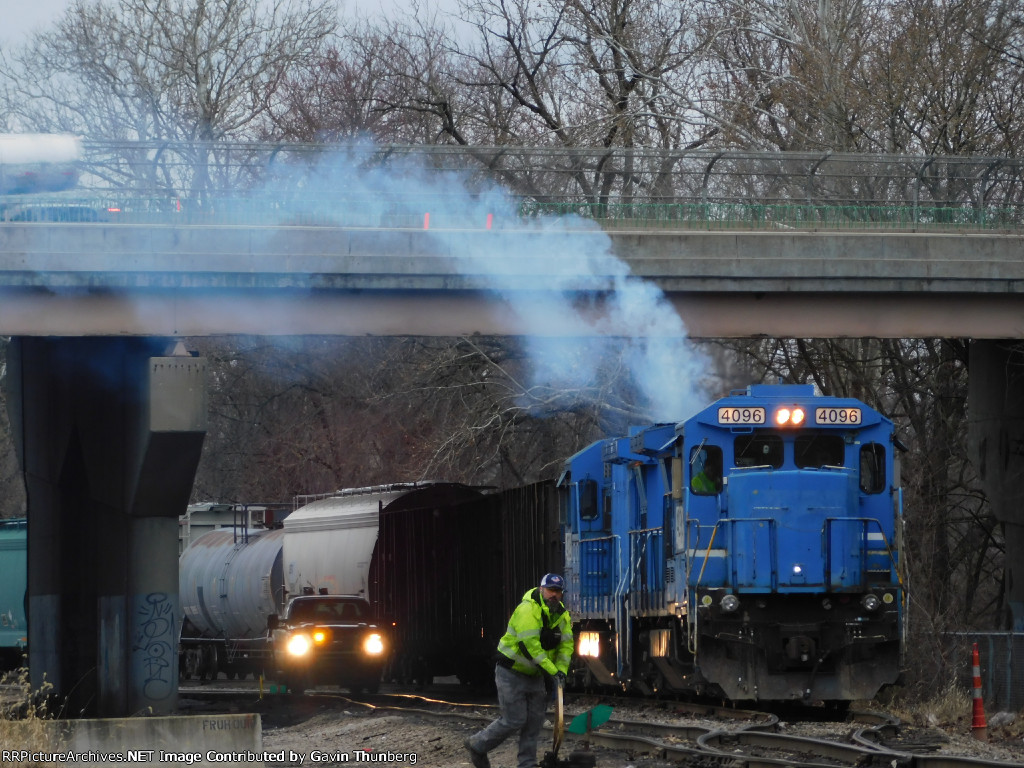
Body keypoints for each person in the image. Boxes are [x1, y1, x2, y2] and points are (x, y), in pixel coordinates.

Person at [464, 573, 573, 768]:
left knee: (534, 723)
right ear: (541, 590)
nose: (553, 595)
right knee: (514, 719)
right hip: (511, 672)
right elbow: (529, 646)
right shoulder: (527, 609)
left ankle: (527, 764)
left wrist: (561, 672)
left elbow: (566, 647)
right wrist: (552, 671)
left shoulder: (562, 616)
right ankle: (477, 744)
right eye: (550, 590)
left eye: (557, 591)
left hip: (535, 675)